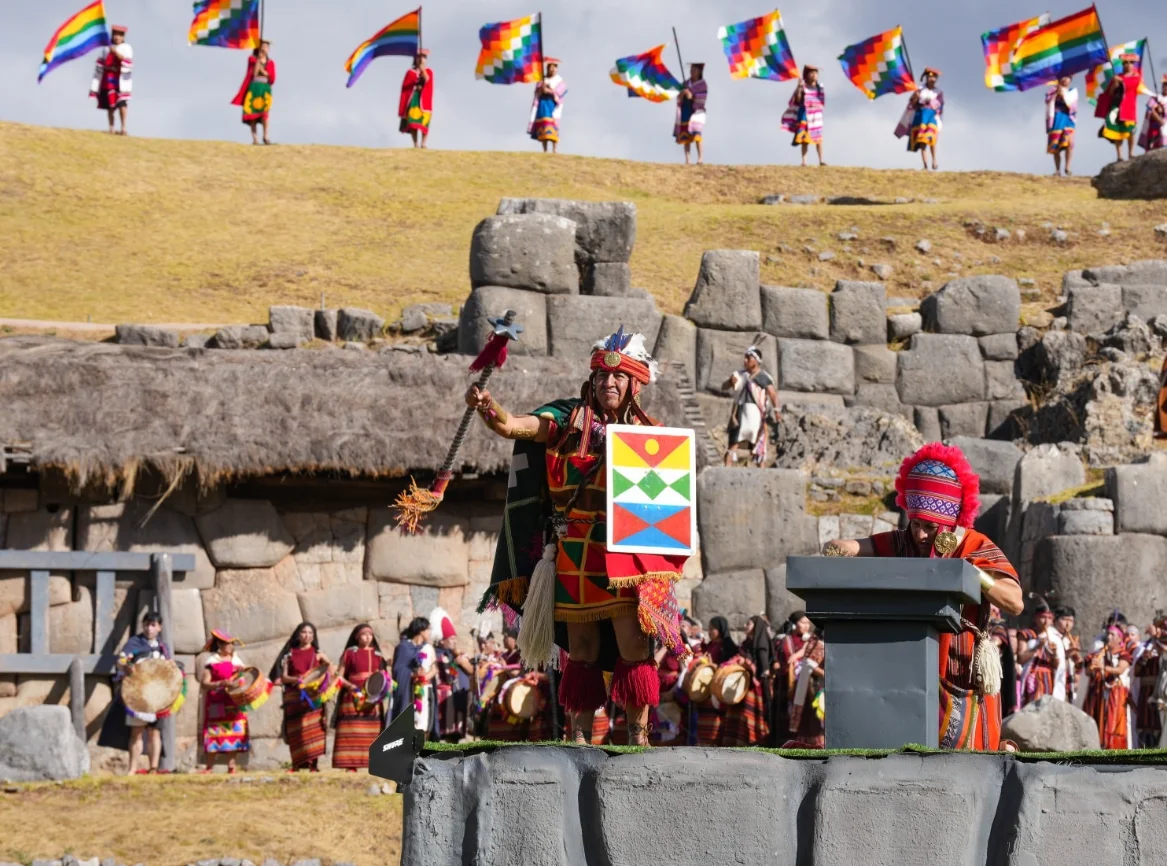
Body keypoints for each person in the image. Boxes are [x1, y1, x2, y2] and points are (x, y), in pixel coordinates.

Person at [472, 326, 691, 747]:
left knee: (634, 649)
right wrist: (490, 409)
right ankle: (577, 737)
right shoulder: (566, 422)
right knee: (583, 652)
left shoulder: (654, 439)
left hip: (627, 561)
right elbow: (515, 426)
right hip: (573, 555)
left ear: (635, 385)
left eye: (619, 377)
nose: (609, 382)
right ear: (591, 379)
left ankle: (638, 737)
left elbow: (665, 512)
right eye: (602, 376)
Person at [823, 443, 1024, 750]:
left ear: (949, 523)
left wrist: (970, 573)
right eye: (915, 524)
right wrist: (835, 550)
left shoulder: (974, 544)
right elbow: (849, 546)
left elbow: (1015, 601)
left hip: (963, 671)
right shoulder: (902, 541)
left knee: (975, 761)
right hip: (912, 671)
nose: (919, 535)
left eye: (929, 528)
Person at [112, 612, 175, 775]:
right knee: (136, 732)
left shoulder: (162, 647)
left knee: (154, 732)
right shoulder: (134, 642)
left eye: (153, 625)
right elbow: (121, 661)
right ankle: (132, 768)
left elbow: (168, 668)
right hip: (138, 693)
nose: (149, 628)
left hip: (156, 695)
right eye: (147, 624)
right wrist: (126, 666)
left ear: (159, 628)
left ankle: (153, 768)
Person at [271, 622, 332, 772]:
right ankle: (296, 764)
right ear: (298, 634)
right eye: (304, 632)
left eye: (310, 633)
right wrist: (296, 680)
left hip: (313, 696)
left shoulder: (318, 654)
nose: (307, 636)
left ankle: (314, 764)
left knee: (314, 730)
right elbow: (284, 676)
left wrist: (325, 669)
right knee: (296, 730)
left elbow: (329, 670)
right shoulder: (290, 654)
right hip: (294, 696)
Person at [332, 623, 387, 771]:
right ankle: (350, 765)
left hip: (372, 697)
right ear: (357, 637)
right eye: (364, 634)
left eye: (370, 634)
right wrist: (349, 686)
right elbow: (338, 675)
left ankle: (373, 763)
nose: (368, 637)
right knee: (351, 730)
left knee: (372, 730)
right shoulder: (349, 654)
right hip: (352, 696)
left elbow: (384, 676)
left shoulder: (378, 655)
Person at [722, 346, 780, 467]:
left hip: (756, 417)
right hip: (740, 414)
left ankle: (762, 477)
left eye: (748, 358)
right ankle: (727, 470)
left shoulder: (764, 377)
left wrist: (777, 411)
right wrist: (730, 382)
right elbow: (724, 386)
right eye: (745, 358)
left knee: (758, 447)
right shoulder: (739, 375)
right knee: (733, 445)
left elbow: (772, 394)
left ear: (756, 360)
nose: (745, 361)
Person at [199, 630, 248, 774]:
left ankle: (231, 766)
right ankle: (209, 767)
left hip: (234, 701)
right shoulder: (212, 662)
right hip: (217, 701)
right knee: (215, 732)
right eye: (227, 644)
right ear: (220, 644)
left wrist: (239, 683)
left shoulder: (237, 662)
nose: (230, 646)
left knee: (233, 732)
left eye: (231, 644)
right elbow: (204, 683)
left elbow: (244, 679)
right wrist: (220, 683)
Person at [777, 611, 825, 748]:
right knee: (813, 721)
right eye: (802, 622)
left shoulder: (812, 641)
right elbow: (810, 664)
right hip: (813, 689)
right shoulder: (817, 644)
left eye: (807, 623)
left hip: (808, 687)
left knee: (811, 721)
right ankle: (814, 746)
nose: (806, 626)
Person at [1082, 625, 1133, 749]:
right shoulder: (1097, 653)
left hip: (1115, 695)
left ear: (1120, 639)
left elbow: (1120, 669)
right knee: (1095, 719)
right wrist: (1091, 667)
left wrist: (1102, 667)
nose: (1108, 637)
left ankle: (1113, 750)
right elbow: (1088, 673)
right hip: (1097, 692)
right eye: (1108, 634)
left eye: (1112, 635)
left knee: (1113, 723)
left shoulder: (1124, 654)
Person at [430, 607, 474, 741]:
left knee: (454, 732)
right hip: (441, 695)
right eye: (451, 639)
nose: (455, 642)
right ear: (442, 640)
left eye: (455, 638)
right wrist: (455, 664)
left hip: (454, 695)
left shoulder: (452, 655)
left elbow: (470, 671)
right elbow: (449, 677)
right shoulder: (436, 654)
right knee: (444, 730)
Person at [1017, 601, 1071, 706]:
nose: (1046, 621)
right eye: (1043, 617)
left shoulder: (1055, 638)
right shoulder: (1026, 635)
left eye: (1049, 618)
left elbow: (1056, 665)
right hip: (1031, 679)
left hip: (1047, 679)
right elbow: (1020, 659)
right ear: (1035, 618)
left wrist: (1054, 653)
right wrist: (1038, 647)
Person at [391, 616, 435, 737]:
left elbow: (433, 668)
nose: (429, 632)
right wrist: (413, 674)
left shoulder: (425, 648)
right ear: (421, 630)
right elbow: (397, 670)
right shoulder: (404, 647)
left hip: (422, 691)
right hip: (407, 692)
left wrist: (424, 675)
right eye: (428, 629)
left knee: (422, 726)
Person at [1097, 54, 1143, 162]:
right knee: (1117, 131)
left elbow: (1131, 86)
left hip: (1128, 108)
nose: (1127, 65)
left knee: (1131, 131)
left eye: (1130, 63)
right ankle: (1119, 155)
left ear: (1133, 65)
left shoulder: (1136, 76)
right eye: (1125, 63)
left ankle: (1131, 153)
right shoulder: (1117, 77)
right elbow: (1109, 93)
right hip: (1116, 107)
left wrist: (1121, 81)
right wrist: (1114, 85)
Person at [896, 67, 943, 170]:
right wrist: (916, 97)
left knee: (931, 139)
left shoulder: (938, 92)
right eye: (930, 76)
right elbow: (912, 102)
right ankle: (925, 165)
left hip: (931, 117)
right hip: (921, 117)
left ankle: (934, 161)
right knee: (922, 141)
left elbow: (940, 105)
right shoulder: (920, 89)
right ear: (926, 77)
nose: (932, 79)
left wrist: (930, 103)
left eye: (934, 77)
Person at [1131, 615, 1167, 747]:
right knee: (1145, 727)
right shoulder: (1146, 647)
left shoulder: (1160, 645)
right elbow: (1137, 672)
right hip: (1146, 694)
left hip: (1162, 694)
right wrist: (1144, 658)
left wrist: (1155, 638)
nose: (1162, 631)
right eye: (1160, 628)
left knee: (1161, 729)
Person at [89, 25, 132, 135]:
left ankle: (123, 128)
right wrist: (109, 67)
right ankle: (111, 128)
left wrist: (115, 53)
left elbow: (127, 62)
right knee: (110, 105)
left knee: (122, 103)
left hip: (121, 81)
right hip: (108, 80)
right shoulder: (106, 48)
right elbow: (100, 63)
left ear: (123, 37)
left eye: (119, 35)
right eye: (115, 34)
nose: (117, 37)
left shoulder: (127, 48)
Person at [231, 40, 276, 145]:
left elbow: (272, 78)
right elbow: (255, 73)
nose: (265, 48)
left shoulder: (271, 62)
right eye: (263, 46)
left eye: (266, 46)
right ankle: (255, 138)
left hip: (265, 89)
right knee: (252, 113)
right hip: (254, 87)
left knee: (265, 113)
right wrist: (259, 61)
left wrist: (265, 73)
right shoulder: (252, 59)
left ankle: (265, 136)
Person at [782, 64, 825, 166]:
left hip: (816, 116)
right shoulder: (803, 87)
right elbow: (797, 99)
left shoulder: (820, 88)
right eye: (812, 73)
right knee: (805, 140)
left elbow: (822, 102)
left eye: (816, 73)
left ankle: (821, 160)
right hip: (805, 115)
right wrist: (799, 87)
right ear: (807, 75)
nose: (814, 75)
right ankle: (804, 161)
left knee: (818, 139)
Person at [529, 59, 567, 153]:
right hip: (542, 103)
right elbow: (538, 90)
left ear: (556, 69)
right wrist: (542, 87)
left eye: (553, 68)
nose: (551, 70)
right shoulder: (543, 79)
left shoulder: (559, 80)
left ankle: (554, 149)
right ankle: (545, 149)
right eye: (550, 68)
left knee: (553, 124)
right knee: (543, 125)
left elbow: (561, 90)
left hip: (552, 104)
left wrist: (550, 90)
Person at [399, 50, 434, 148]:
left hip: (424, 100)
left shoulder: (429, 71)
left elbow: (428, 80)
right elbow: (406, 87)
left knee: (424, 122)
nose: (422, 59)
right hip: (414, 99)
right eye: (420, 57)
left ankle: (423, 143)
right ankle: (415, 143)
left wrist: (423, 70)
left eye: (424, 57)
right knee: (413, 123)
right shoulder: (410, 72)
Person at [674, 63, 708, 165]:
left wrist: (691, 96)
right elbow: (679, 96)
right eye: (691, 70)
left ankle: (700, 158)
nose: (691, 72)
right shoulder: (685, 83)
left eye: (694, 70)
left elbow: (702, 98)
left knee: (697, 134)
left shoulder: (702, 84)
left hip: (697, 112)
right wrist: (682, 94)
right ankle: (688, 159)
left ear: (699, 72)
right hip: (686, 111)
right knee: (686, 137)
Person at [1046, 76, 1077, 176]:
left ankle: (1067, 167)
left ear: (1070, 80)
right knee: (1056, 145)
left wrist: (1063, 94)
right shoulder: (1052, 90)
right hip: (1056, 119)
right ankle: (1057, 169)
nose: (1064, 79)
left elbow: (1073, 106)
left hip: (1068, 119)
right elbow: (1048, 102)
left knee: (1069, 143)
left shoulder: (1073, 91)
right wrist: (1056, 93)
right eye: (1063, 77)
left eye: (1067, 77)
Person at [1139, 75, 1167, 152]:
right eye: (1164, 85)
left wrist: (1163, 110)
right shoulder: (1155, 97)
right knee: (1151, 147)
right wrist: (1158, 117)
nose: (1165, 87)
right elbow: (1150, 110)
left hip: (1165, 128)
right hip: (1154, 128)